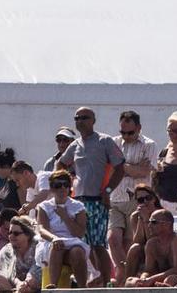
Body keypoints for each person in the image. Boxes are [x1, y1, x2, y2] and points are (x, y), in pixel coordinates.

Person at [57, 107, 125, 281]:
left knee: (98, 245)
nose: (80, 121)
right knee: (82, 244)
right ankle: (91, 279)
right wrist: (64, 184)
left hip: (97, 200)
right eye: (77, 118)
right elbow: (61, 164)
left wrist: (108, 190)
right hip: (78, 201)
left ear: (93, 120)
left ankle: (105, 282)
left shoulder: (105, 141)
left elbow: (120, 168)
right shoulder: (75, 144)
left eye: (84, 118)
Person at [108, 110, 156, 285]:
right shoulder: (113, 143)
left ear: (139, 128)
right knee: (112, 239)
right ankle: (123, 269)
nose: (126, 136)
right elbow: (112, 169)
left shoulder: (149, 144)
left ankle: (126, 278)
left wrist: (121, 167)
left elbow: (144, 171)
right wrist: (132, 169)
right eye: (123, 132)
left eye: (130, 132)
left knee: (130, 243)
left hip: (137, 200)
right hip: (115, 198)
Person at [37, 169, 91, 289]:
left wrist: (65, 217)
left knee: (77, 252)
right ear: (52, 188)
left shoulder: (78, 207)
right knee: (57, 246)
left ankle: (83, 288)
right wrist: (54, 238)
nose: (62, 188)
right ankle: (53, 285)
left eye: (66, 185)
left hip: (73, 242)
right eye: (58, 185)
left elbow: (79, 233)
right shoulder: (44, 207)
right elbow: (42, 230)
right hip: (51, 243)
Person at [125, 209, 177, 287]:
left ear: (167, 225)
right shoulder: (151, 244)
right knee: (131, 282)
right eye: (149, 222)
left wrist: (152, 279)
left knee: (171, 279)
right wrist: (144, 278)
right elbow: (149, 270)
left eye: (153, 222)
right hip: (163, 280)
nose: (149, 225)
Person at [124, 184, 162, 281]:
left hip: (160, 250)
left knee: (149, 245)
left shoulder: (161, 215)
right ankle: (127, 282)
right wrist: (141, 218)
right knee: (134, 248)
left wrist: (146, 219)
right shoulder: (135, 216)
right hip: (144, 250)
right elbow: (137, 241)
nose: (145, 202)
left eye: (148, 198)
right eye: (141, 200)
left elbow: (154, 241)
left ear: (154, 199)